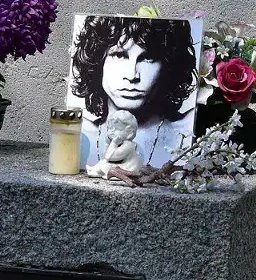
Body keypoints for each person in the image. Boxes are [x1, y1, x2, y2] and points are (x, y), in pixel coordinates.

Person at [70, 16, 198, 168]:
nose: (132, 75)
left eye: (148, 58)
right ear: (97, 61)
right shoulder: (76, 133)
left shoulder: (186, 134)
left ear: (168, 66)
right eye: (119, 55)